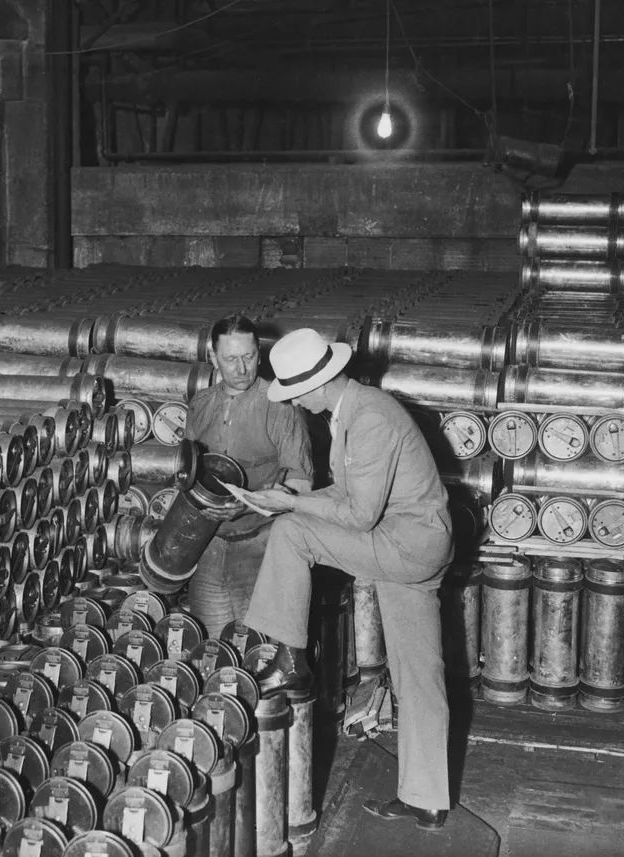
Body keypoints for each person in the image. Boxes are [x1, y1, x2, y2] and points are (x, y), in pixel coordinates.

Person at [243, 327, 454, 832]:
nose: (294, 403)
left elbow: (358, 515)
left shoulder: (370, 417)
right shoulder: (350, 413)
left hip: (408, 545)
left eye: (294, 393)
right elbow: (347, 494)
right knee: (416, 671)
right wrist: (291, 495)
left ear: (315, 386)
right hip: (411, 541)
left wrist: (292, 504)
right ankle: (427, 798)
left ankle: (289, 657)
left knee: (292, 532)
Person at [182, 314, 313, 636]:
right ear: (213, 357)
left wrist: (251, 504)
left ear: (259, 352)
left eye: (249, 357)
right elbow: (186, 478)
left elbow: (302, 483)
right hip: (209, 545)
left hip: (262, 546)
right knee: (211, 652)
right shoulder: (200, 405)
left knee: (261, 652)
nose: (241, 369)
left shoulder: (281, 406)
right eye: (230, 359)